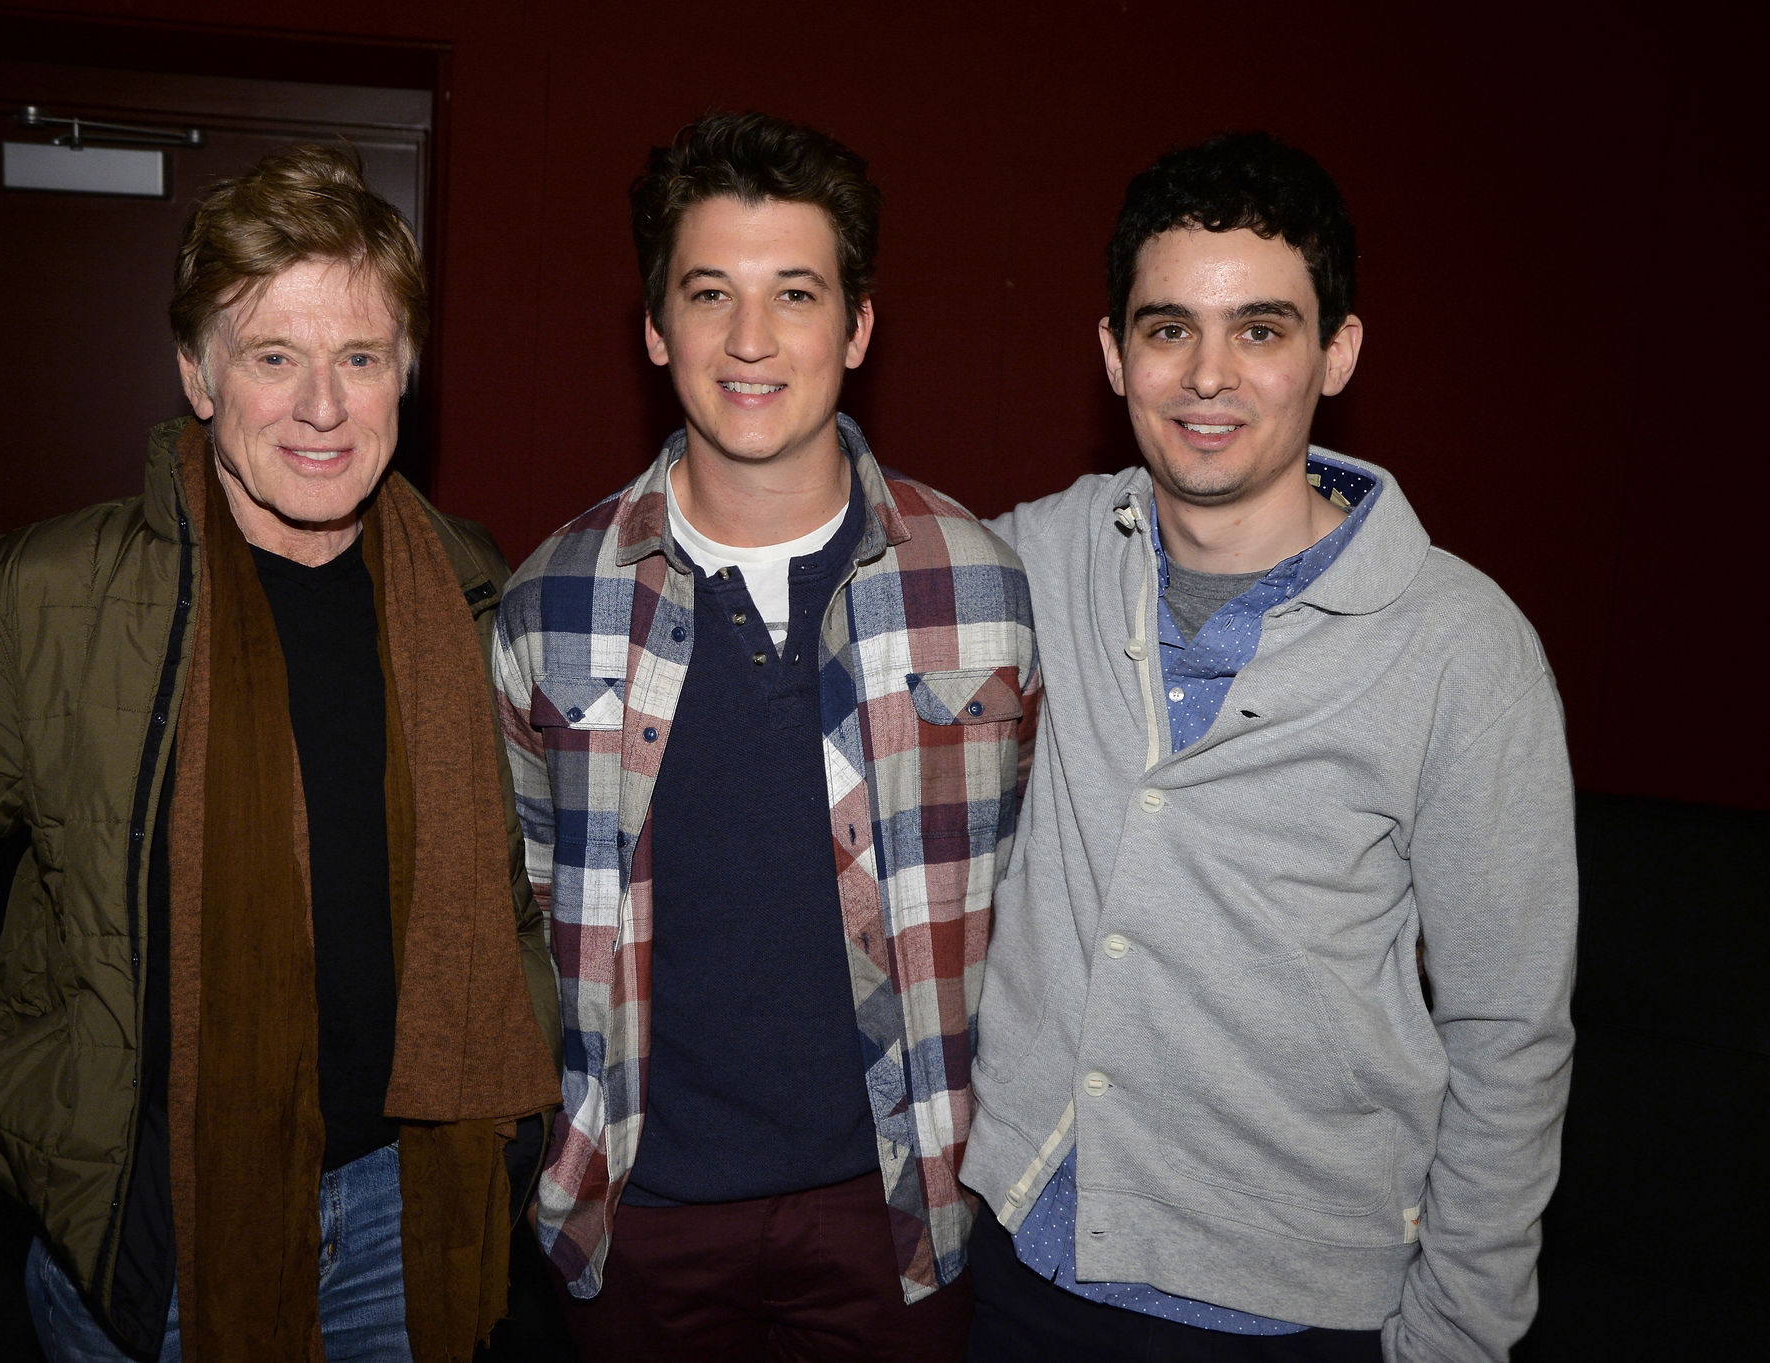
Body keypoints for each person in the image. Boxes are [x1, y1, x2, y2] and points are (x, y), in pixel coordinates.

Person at [0, 144, 560, 1363]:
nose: (321, 406)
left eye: (359, 358)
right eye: (274, 356)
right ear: (197, 373)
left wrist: (515, 1110)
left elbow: (525, 895)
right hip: (156, 1232)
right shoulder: (36, 599)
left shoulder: (479, 595)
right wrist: (43, 1109)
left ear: (403, 378)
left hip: (413, 1217)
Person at [960, 132, 1577, 1363]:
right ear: (1110, 352)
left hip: (1292, 1310)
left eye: (1259, 329)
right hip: (1021, 1263)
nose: (1205, 376)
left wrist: (1455, 1337)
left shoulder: (1462, 648)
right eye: (1165, 327)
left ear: (1335, 352)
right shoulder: (1030, 561)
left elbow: (1508, 1031)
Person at [492, 112, 1041, 1361]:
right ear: (653, 326)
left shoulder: (982, 587)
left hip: (900, 1215)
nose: (750, 340)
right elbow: (519, 907)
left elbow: (1022, 892)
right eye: (708, 294)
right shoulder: (547, 602)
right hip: (640, 1220)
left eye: (794, 293)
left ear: (854, 327)